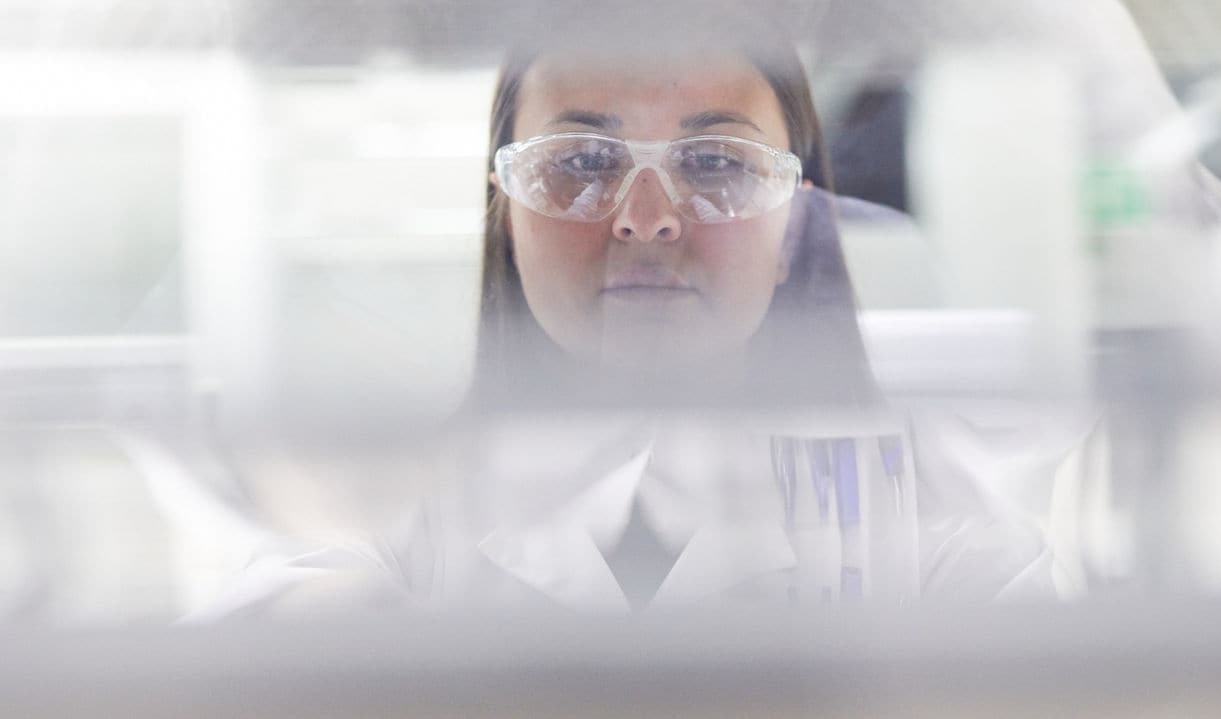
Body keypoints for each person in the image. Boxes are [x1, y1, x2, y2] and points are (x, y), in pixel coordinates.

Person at [192, 8, 1054, 619]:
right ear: (508, 211)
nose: (647, 216)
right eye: (582, 161)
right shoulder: (390, 508)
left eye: (716, 161)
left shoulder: (932, 517)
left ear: (794, 223)